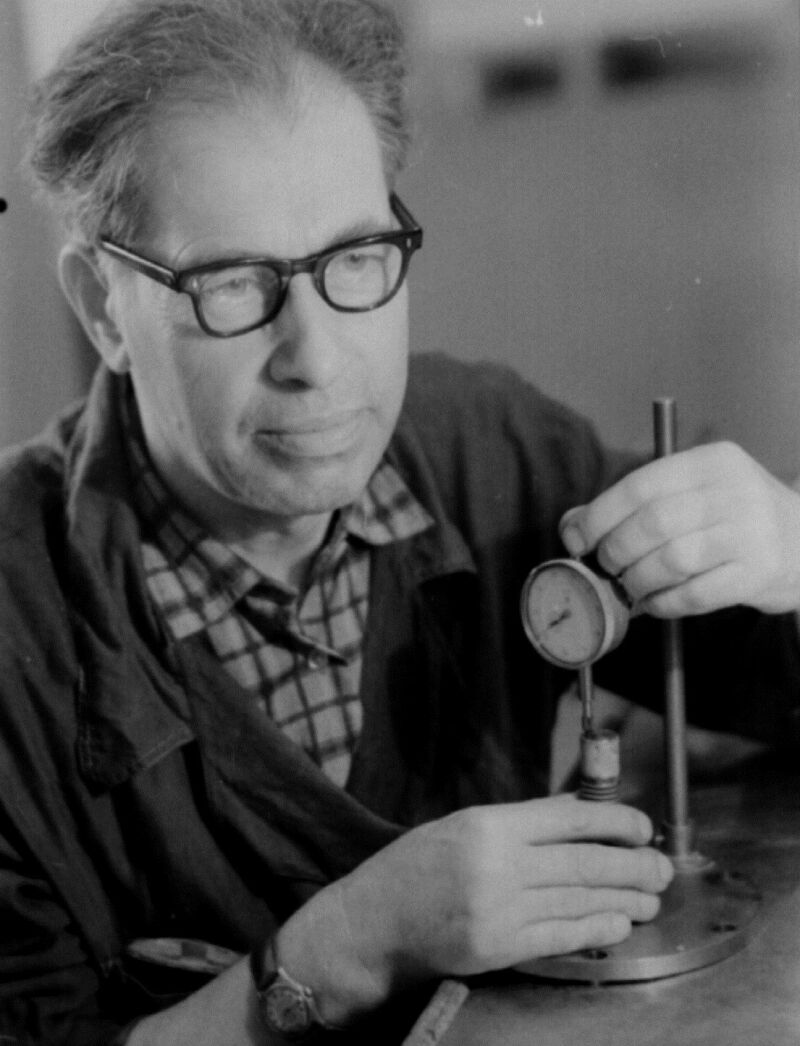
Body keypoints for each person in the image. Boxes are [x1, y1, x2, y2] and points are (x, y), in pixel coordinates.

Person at [3, 0, 800, 1043]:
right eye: (232, 283)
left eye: (357, 257)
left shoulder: (490, 448)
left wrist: (789, 550)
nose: (319, 360)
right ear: (103, 306)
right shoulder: (16, 624)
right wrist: (353, 942)